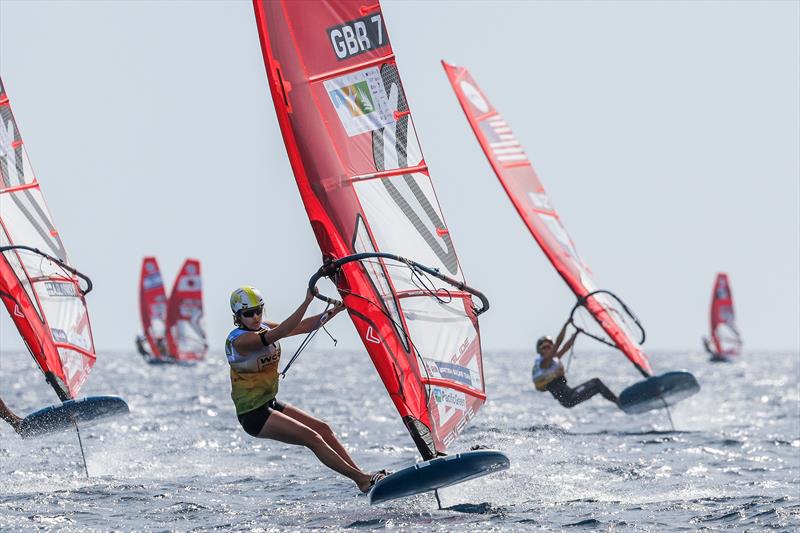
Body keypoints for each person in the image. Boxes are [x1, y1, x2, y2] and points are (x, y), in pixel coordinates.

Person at [226, 286, 385, 493]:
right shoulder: (239, 340)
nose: (256, 317)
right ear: (238, 316)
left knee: (323, 429)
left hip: (269, 403)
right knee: (313, 438)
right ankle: (362, 480)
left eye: (259, 310)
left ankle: (364, 478)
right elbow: (281, 332)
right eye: (249, 313)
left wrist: (334, 311)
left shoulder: (262, 326)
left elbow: (301, 327)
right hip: (253, 414)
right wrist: (307, 301)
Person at [532, 322, 619, 408]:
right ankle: (619, 403)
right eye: (544, 347)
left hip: (570, 396)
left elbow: (565, 347)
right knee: (596, 383)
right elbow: (558, 343)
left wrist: (575, 335)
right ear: (539, 351)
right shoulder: (544, 364)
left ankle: (618, 402)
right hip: (569, 398)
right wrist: (565, 325)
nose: (548, 349)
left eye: (549, 347)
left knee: (597, 386)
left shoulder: (552, 361)